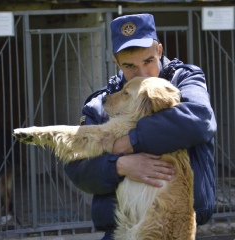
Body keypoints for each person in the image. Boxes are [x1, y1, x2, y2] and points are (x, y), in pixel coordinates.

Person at [64, 13, 217, 240]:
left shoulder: (183, 80)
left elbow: (200, 120)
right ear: (116, 62)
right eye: (130, 65)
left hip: (173, 228)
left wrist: (130, 141)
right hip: (121, 230)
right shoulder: (100, 104)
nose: (143, 74)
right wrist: (119, 166)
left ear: (159, 51)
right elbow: (77, 169)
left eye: (148, 61)